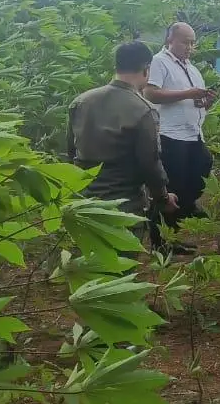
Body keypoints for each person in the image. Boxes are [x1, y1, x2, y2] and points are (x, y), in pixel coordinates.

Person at [69, 41, 178, 249]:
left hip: (84, 204)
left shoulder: (81, 101)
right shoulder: (144, 110)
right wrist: (163, 198)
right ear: (147, 69)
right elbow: (150, 164)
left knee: (89, 272)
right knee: (119, 273)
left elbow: (71, 153)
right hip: (123, 208)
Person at [144, 23, 216, 246]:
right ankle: (161, 240)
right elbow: (151, 93)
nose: (189, 47)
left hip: (193, 134)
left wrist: (204, 102)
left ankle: (177, 222)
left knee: (202, 167)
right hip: (170, 135)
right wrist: (188, 93)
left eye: (192, 42)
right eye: (185, 41)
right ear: (169, 40)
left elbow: (192, 102)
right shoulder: (160, 62)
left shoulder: (191, 69)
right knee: (169, 187)